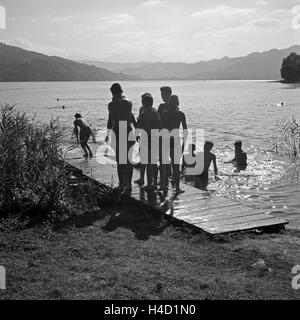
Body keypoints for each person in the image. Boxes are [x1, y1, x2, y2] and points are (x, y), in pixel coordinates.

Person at [105, 83, 135, 194]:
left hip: (119, 131)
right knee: (129, 159)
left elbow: (110, 120)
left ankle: (121, 184)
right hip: (128, 129)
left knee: (120, 160)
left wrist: (107, 134)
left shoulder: (112, 104)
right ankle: (129, 184)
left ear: (113, 92)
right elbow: (131, 117)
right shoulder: (129, 103)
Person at [161, 95, 188, 194]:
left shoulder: (179, 114)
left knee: (173, 165)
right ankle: (167, 186)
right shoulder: (166, 114)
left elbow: (185, 130)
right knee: (168, 165)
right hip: (169, 140)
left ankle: (174, 187)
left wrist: (183, 145)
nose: (174, 103)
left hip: (173, 140)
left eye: (175, 101)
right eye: (173, 101)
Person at [136, 93, 160, 192]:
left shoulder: (144, 114)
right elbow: (159, 125)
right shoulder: (155, 112)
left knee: (147, 162)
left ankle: (150, 184)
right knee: (153, 163)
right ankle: (154, 183)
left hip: (147, 138)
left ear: (144, 103)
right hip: (154, 138)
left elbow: (139, 125)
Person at [158, 86, 172, 186]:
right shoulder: (175, 107)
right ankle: (168, 177)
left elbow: (158, 121)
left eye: (162, 94)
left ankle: (164, 179)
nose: (161, 96)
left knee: (164, 158)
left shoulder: (162, 107)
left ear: (167, 94)